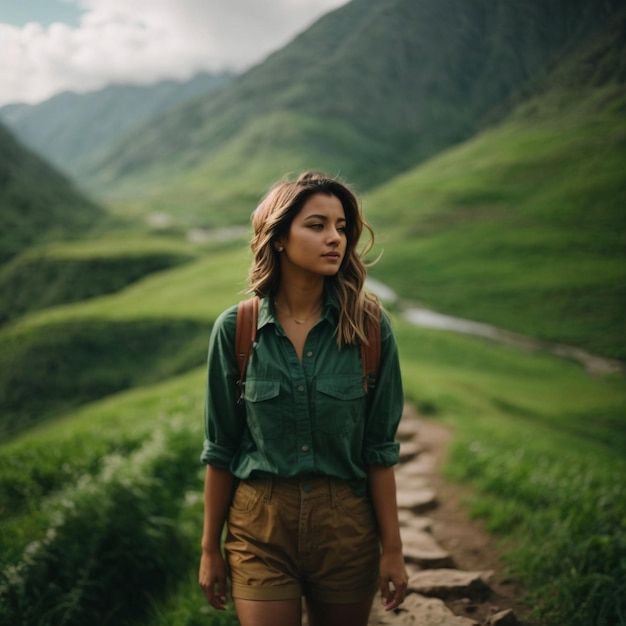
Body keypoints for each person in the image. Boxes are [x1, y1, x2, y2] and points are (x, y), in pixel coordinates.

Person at [199, 171, 407, 626]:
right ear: (278, 237)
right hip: (260, 529)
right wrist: (209, 549)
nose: (334, 238)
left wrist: (392, 550)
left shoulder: (370, 329)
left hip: (346, 531)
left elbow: (378, 450)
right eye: (316, 225)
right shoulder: (236, 331)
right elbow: (221, 449)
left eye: (341, 226)